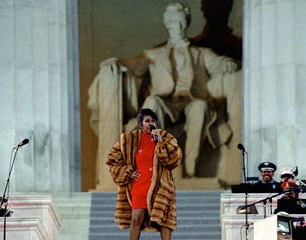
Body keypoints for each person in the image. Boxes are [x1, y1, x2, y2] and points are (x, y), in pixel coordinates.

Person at [94, 2, 238, 178]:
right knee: (152, 102)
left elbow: (219, 63)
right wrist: (116, 63)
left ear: (187, 23)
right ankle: (153, 161)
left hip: (191, 101)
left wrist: (227, 64)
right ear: (167, 24)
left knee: (201, 106)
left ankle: (191, 168)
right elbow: (134, 65)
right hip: (165, 102)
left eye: (181, 21)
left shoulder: (201, 53)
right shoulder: (153, 54)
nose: (177, 26)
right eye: (173, 21)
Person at [106, 108, 182, 240]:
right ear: (140, 124)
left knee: (165, 222)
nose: (151, 123)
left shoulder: (165, 137)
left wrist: (160, 142)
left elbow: (174, 160)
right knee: (136, 219)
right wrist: (127, 172)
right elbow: (112, 159)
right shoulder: (129, 139)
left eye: (153, 121)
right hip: (139, 185)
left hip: (161, 186)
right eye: (147, 121)